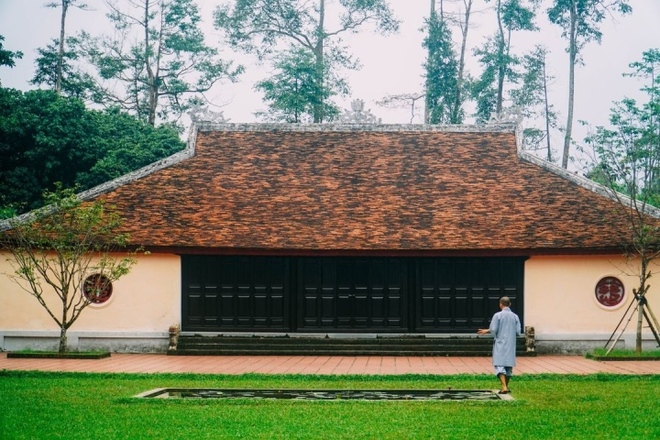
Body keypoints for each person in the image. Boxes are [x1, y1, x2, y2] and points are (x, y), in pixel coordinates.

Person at [477, 296, 521, 394]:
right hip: (510, 344)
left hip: (500, 343)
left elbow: (493, 330)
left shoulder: (498, 315)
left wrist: (486, 330)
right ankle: (506, 386)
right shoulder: (515, 316)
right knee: (509, 366)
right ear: (510, 304)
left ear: (500, 304)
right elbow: (518, 332)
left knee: (500, 364)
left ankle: (504, 387)